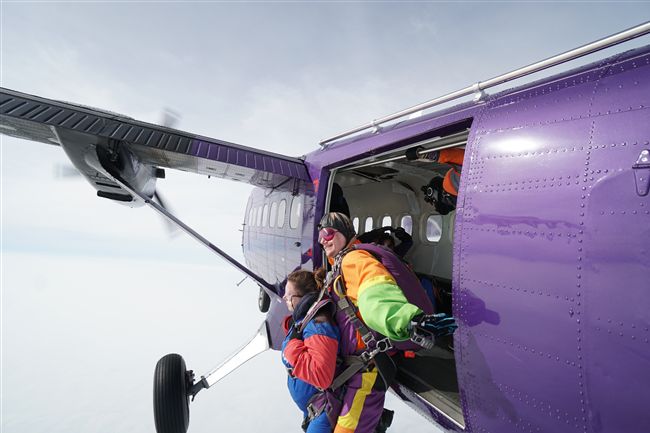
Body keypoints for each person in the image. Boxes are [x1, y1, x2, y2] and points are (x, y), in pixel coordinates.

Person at [318, 212, 457, 433]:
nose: (322, 240)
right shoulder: (339, 265)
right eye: (320, 236)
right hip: (354, 370)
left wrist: (406, 320)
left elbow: (375, 294)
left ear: (344, 233)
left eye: (327, 233)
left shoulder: (354, 260)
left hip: (365, 372)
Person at [281, 269, 340, 433]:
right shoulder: (304, 321)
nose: (284, 298)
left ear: (300, 297)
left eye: (288, 295)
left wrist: (290, 347)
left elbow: (321, 374)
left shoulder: (318, 322)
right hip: (315, 411)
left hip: (324, 411)